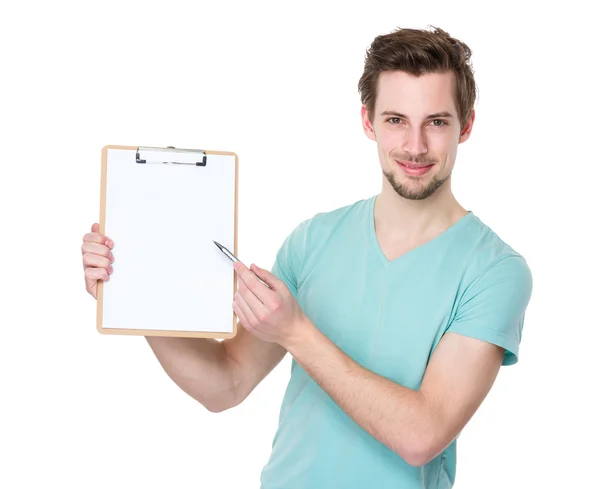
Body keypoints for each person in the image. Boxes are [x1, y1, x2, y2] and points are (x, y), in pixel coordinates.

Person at [81, 26, 533, 489]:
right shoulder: (313, 240)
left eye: (436, 122)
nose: (415, 146)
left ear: (467, 125)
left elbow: (422, 434)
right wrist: (134, 291)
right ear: (368, 121)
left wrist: (295, 331)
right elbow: (226, 384)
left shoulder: (495, 271)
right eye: (396, 119)